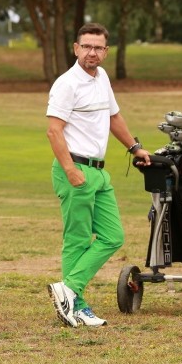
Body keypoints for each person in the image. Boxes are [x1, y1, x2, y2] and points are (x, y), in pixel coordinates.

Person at [45, 22, 150, 328]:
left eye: (98, 47)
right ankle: (75, 305)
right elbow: (54, 130)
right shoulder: (67, 84)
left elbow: (113, 116)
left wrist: (134, 148)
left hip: (100, 172)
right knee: (77, 240)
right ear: (76, 48)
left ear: (106, 51)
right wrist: (70, 170)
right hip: (75, 169)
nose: (92, 52)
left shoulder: (101, 77)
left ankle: (69, 291)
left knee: (112, 236)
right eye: (86, 46)